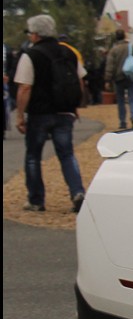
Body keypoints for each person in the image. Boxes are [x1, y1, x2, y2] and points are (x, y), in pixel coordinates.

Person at [13, 15, 87, 213]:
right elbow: (80, 81)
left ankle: (36, 199)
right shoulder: (67, 52)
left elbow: (24, 88)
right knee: (66, 154)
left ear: (35, 34)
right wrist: (75, 105)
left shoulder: (31, 55)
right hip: (64, 111)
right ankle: (77, 191)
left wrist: (20, 115)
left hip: (39, 113)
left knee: (33, 156)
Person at [105, 30, 133, 130]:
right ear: (124, 36)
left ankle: (122, 121)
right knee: (132, 98)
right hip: (131, 77)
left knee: (121, 100)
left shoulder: (114, 50)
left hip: (119, 78)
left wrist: (107, 80)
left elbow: (110, 66)